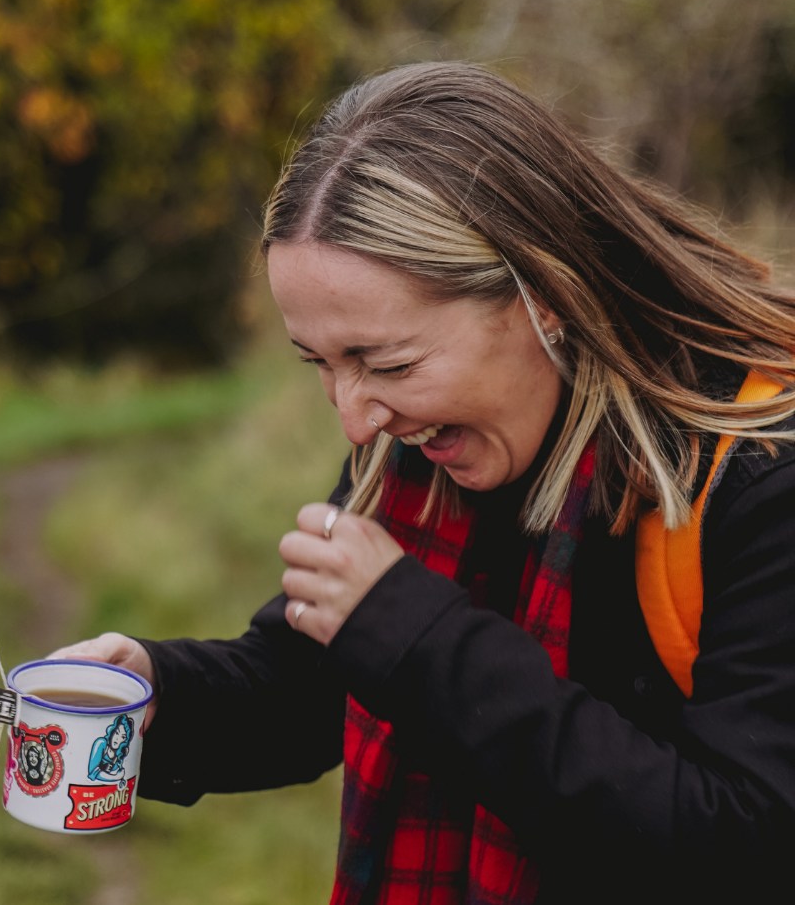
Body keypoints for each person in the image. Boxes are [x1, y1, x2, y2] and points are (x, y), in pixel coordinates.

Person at [52, 62, 795, 903]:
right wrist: (160, 693)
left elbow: (748, 846)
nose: (355, 420)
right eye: (319, 363)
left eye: (389, 362)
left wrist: (421, 642)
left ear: (547, 294)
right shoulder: (417, 445)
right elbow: (317, 686)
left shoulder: (757, 479)